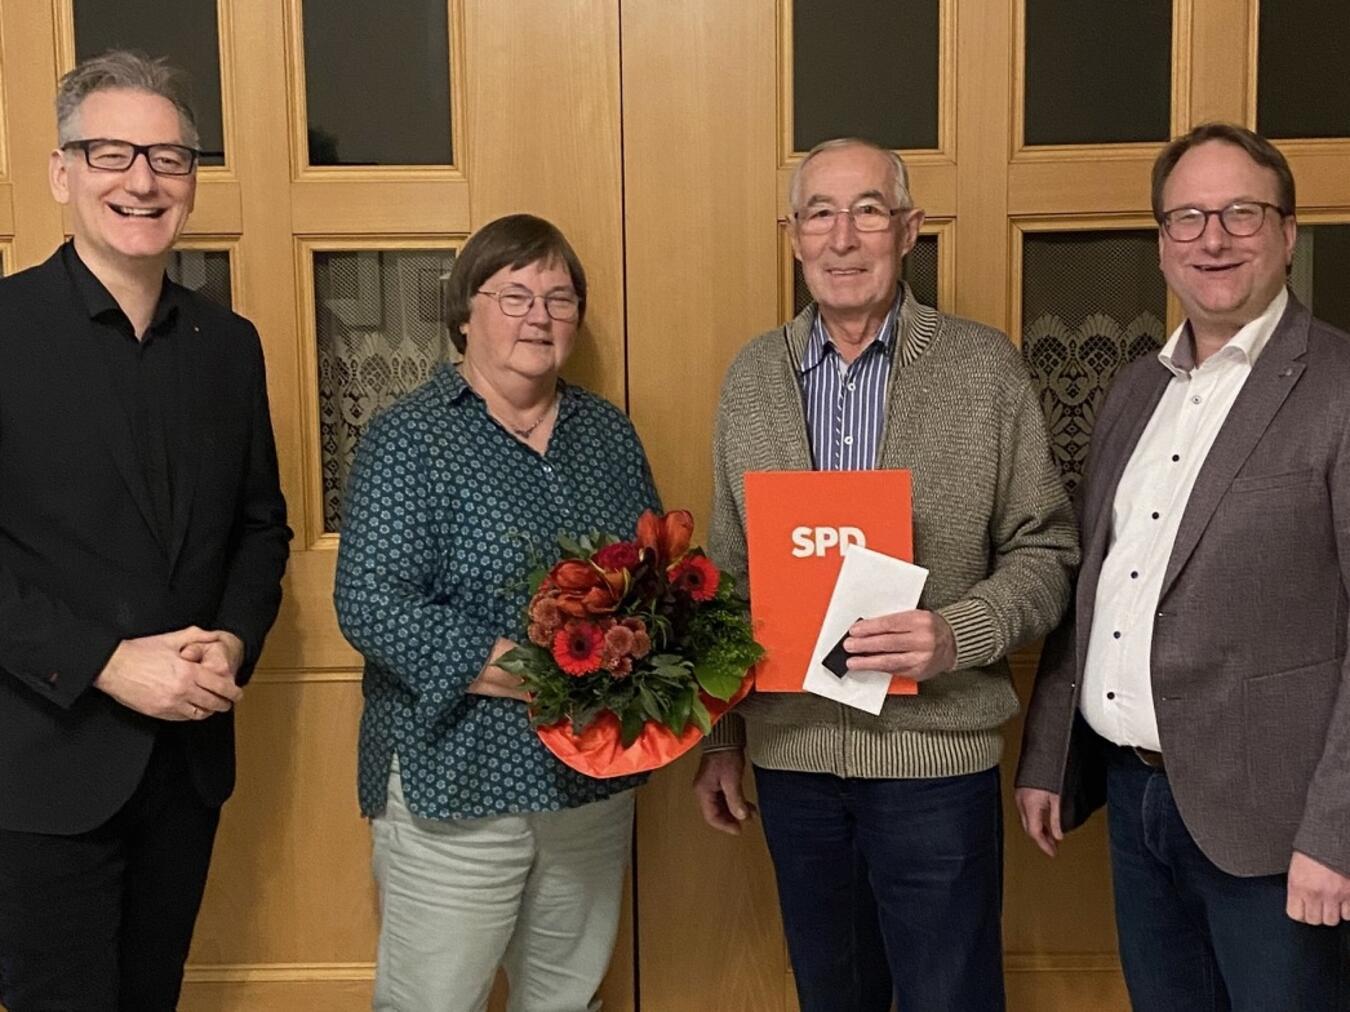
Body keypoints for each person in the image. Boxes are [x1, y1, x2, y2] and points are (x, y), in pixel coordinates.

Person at [692, 137, 1078, 1011]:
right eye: (819, 214)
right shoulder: (753, 375)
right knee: (834, 997)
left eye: (868, 210)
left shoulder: (984, 369)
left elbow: (1046, 551)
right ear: (792, 237)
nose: (843, 237)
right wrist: (720, 736)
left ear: (909, 229)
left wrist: (958, 633)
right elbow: (727, 572)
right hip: (793, 760)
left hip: (934, 762)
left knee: (951, 998)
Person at [1016, 123, 1350, 1010]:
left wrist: (1338, 835)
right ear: (1163, 244)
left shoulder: (1340, 387)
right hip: (1138, 803)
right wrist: (1049, 755)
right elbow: (1096, 586)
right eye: (1188, 217)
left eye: (1241, 212)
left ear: (1287, 232)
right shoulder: (1136, 390)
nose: (1213, 238)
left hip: (1279, 835)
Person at [0, 51, 291, 1009]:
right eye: (113, 152)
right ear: (61, 173)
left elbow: (260, 530)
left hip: (185, 768)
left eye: (169, 158)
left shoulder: (229, 344)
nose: (142, 180)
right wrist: (106, 662)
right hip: (40, 764)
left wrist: (235, 643)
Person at [335, 213, 659, 1011]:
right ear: (465, 312)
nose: (538, 315)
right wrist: (521, 667)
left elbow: (654, 581)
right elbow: (370, 602)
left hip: (588, 782)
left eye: (558, 297)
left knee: (566, 997)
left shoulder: (608, 435)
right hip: (456, 779)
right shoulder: (409, 437)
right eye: (513, 294)